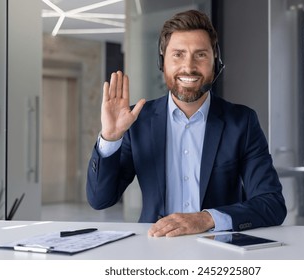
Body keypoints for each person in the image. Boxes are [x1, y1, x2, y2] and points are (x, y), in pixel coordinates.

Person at [86, 9, 286, 237]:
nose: (189, 67)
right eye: (178, 54)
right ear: (162, 62)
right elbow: (100, 199)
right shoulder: (137, 121)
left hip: (220, 252)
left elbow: (272, 204)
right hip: (155, 248)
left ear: (216, 63)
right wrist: (110, 138)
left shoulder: (241, 122)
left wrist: (207, 219)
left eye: (200, 55)